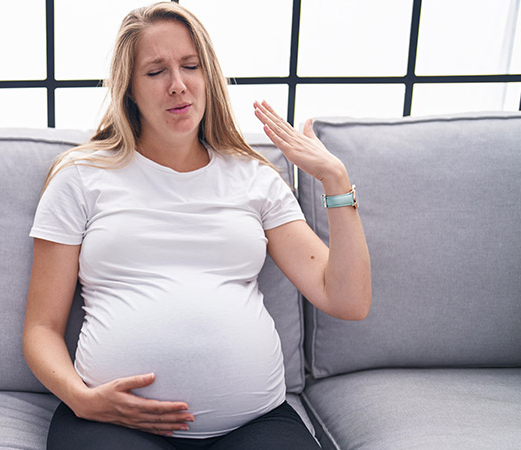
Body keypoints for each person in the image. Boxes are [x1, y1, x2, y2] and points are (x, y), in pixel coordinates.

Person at [23, 2, 371, 449]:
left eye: (191, 66)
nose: (178, 85)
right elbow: (41, 329)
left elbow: (347, 299)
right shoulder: (79, 177)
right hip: (111, 423)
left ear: (209, 75)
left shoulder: (255, 178)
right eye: (155, 71)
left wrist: (334, 180)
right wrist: (82, 399)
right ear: (128, 88)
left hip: (254, 424)